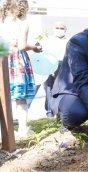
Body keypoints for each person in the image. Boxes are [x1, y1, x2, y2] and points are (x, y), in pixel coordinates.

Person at [0, 0, 42, 137]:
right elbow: (23, 45)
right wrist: (35, 47)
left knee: (2, 94)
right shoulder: (23, 21)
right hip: (15, 59)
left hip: (1, 54)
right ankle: (22, 129)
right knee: (20, 96)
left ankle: (3, 132)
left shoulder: (2, 19)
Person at [42, 22, 68, 117]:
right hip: (49, 64)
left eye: (61, 28)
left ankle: (59, 112)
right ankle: (49, 112)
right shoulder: (47, 41)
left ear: (65, 30)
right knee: (48, 89)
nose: (59, 30)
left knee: (61, 89)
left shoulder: (69, 41)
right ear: (53, 29)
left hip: (63, 66)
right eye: (57, 27)